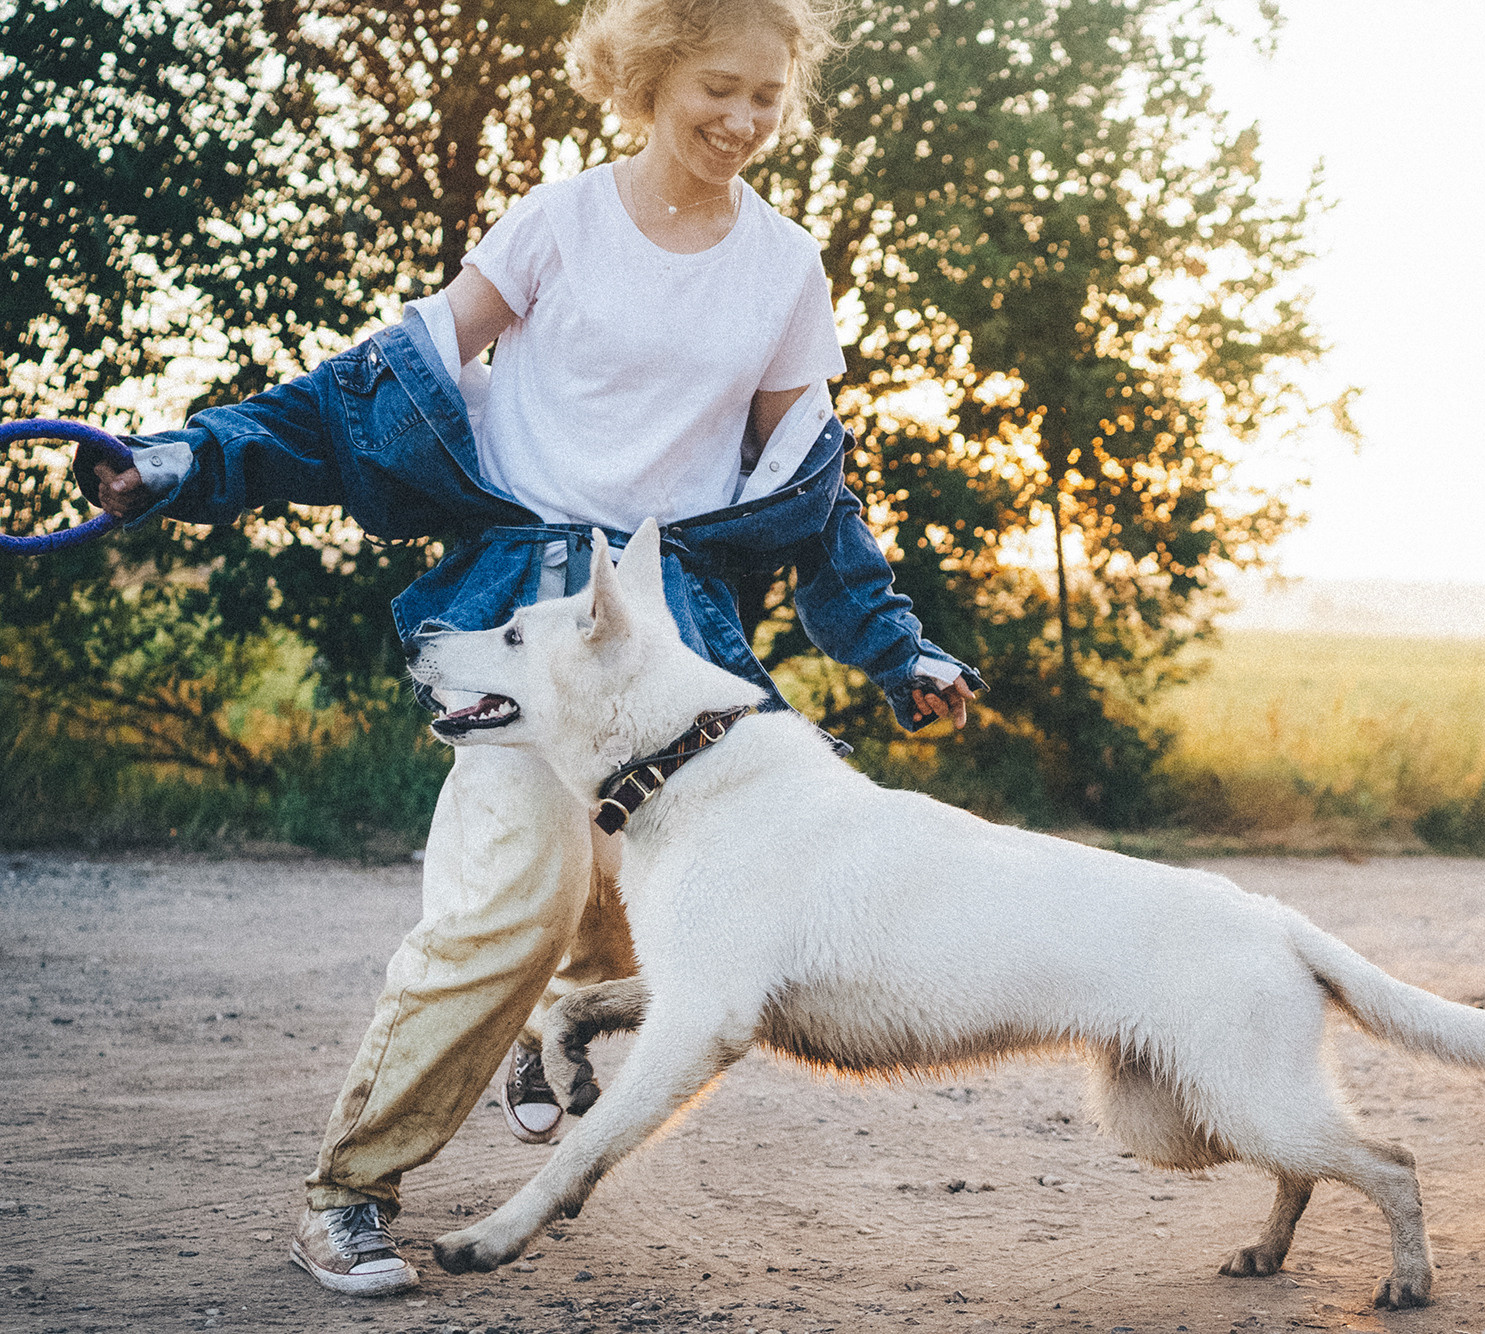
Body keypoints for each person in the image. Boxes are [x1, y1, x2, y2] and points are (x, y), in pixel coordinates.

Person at [88, 0, 979, 1298]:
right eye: (717, 90)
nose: (741, 121)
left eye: (766, 99)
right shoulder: (558, 223)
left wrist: (901, 653)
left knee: (642, 904)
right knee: (516, 896)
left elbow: (812, 488)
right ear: (651, 77)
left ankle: (549, 1020)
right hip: (528, 620)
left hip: (674, 643)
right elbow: (371, 394)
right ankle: (349, 1189)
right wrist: (186, 459)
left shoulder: (786, 270)